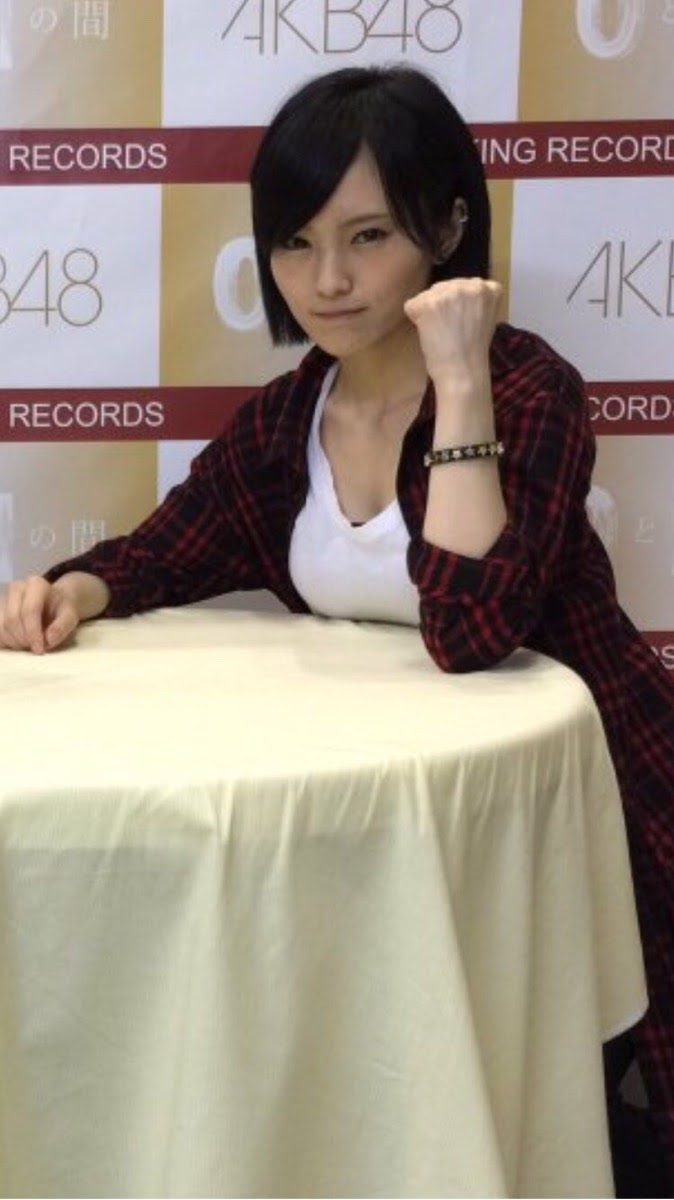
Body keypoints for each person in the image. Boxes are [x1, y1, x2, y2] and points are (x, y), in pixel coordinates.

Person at [1, 64, 673, 1186]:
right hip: (395, 827)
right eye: (296, 242)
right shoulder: (288, 418)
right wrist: (72, 590)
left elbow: (470, 626)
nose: (327, 280)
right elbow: (169, 547)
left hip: (567, 800)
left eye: (367, 237)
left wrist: (458, 376)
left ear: (445, 228)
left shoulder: (529, 393)